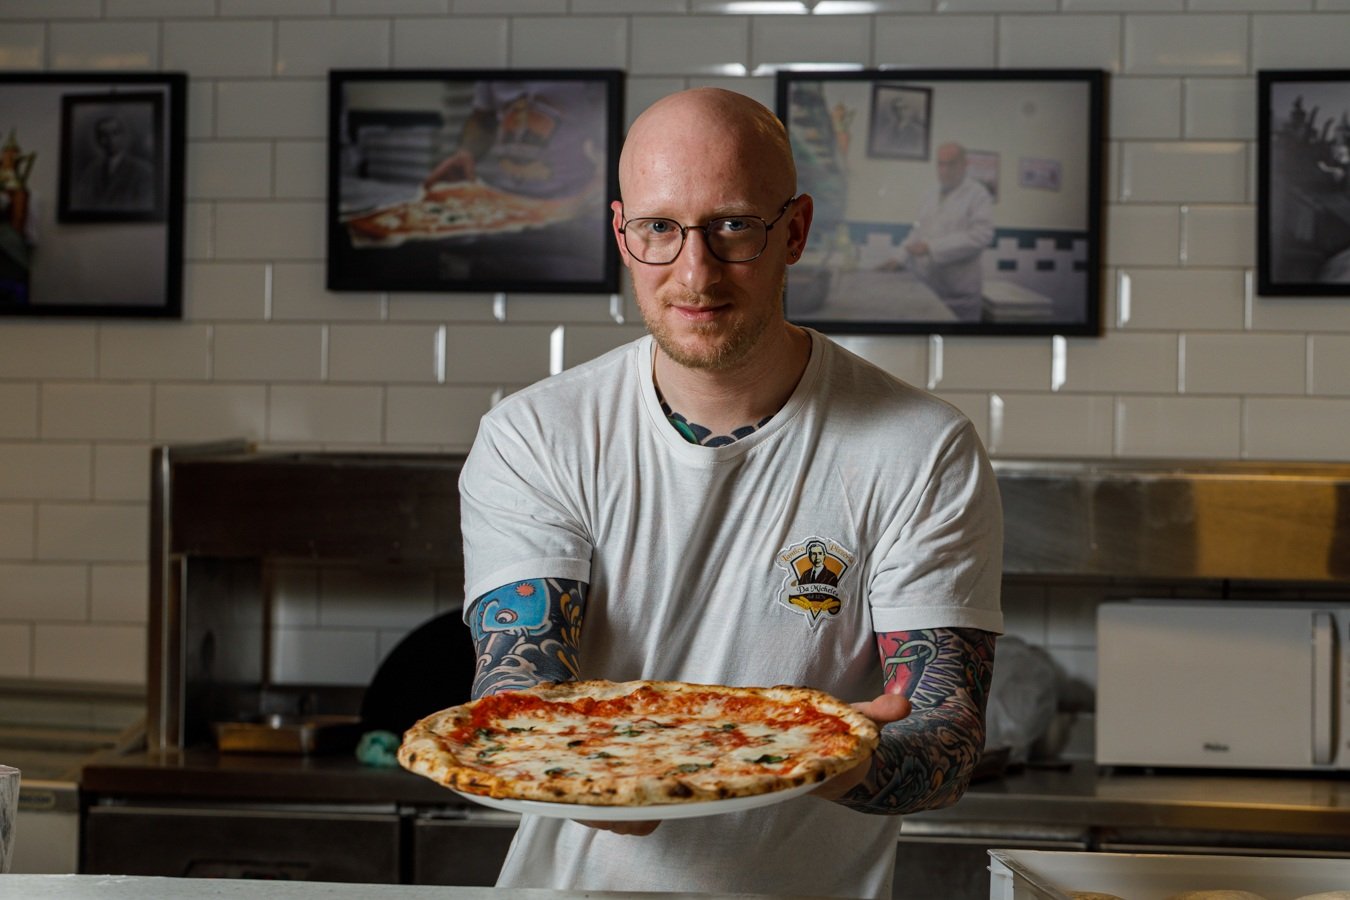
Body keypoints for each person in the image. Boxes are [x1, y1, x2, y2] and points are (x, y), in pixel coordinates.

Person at [458, 87, 1002, 899]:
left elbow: (945, 741)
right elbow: (518, 694)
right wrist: (612, 772)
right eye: (660, 229)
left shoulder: (919, 448)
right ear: (622, 231)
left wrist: (804, 751)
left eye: (734, 225)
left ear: (795, 230)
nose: (695, 270)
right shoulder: (536, 436)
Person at [884, 141, 994, 322]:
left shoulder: (978, 195)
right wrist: (898, 257)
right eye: (941, 164)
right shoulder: (930, 194)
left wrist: (931, 247)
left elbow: (981, 236)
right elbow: (917, 233)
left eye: (951, 164)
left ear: (965, 164)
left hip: (960, 294)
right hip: (928, 288)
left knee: (960, 348)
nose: (944, 170)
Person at [73, 113, 155, 212]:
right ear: (98, 139)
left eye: (114, 133)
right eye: (103, 135)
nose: (109, 139)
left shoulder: (142, 170)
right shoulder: (92, 171)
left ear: (123, 136)